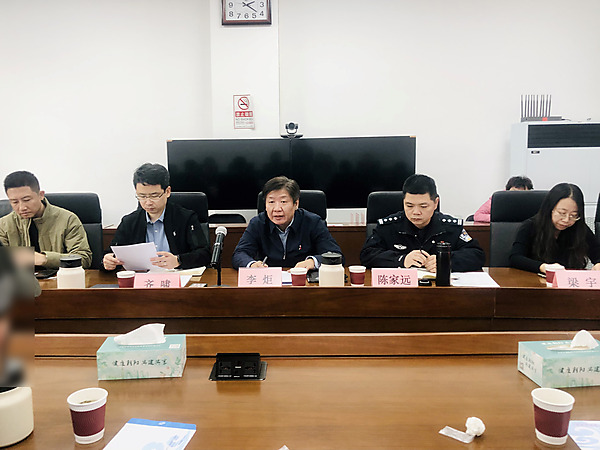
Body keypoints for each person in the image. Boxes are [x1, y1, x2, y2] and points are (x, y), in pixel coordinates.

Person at [360, 174, 485, 272]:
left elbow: (477, 255)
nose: (416, 212)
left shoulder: (451, 227)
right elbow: (367, 254)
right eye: (409, 206)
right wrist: (401, 260)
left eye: (423, 206)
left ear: (435, 203)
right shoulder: (389, 226)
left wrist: (446, 260)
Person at [102, 163, 210, 271]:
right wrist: (108, 261)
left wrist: (178, 260)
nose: (148, 202)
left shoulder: (186, 218)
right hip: (141, 278)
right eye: (142, 196)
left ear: (167, 192)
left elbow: (204, 254)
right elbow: (112, 253)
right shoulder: (129, 222)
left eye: (154, 196)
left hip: (176, 277)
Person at [232, 176, 343, 269]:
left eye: (283, 202)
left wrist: (313, 262)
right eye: (271, 202)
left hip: (304, 282)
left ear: (296, 204)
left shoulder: (313, 222)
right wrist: (252, 264)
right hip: (270, 282)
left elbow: (336, 255)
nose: (277, 209)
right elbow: (239, 254)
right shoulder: (258, 223)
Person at [0, 171, 92, 269]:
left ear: (41, 195)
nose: (22, 207)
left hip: (59, 277)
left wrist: (45, 259)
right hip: (19, 278)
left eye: (27, 200)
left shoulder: (68, 219)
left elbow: (84, 259)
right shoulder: (4, 225)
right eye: (15, 202)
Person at [509, 183, 600, 273]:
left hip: (567, 281)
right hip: (534, 279)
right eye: (562, 213)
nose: (566, 220)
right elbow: (515, 258)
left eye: (573, 215)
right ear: (550, 208)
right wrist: (542, 267)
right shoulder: (530, 226)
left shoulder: (579, 228)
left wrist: (598, 264)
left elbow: (597, 253)